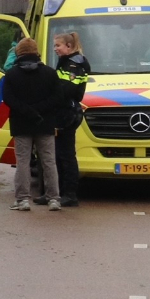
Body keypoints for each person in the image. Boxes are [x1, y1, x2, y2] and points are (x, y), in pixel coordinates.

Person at [0, 37, 64, 211]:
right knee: (49, 161)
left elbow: (8, 98)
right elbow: (57, 97)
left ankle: (22, 199)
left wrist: (28, 111)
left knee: (22, 161)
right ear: (36, 52)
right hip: (45, 122)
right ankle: (54, 198)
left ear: (19, 53)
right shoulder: (50, 73)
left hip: (21, 123)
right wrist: (39, 110)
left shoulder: (12, 74)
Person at [52, 32, 91, 208]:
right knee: (60, 155)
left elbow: (67, 90)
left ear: (68, 46)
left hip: (67, 114)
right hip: (64, 111)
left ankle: (69, 194)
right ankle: (60, 192)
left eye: (57, 46)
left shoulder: (74, 64)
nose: (55, 49)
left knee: (66, 156)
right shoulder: (68, 62)